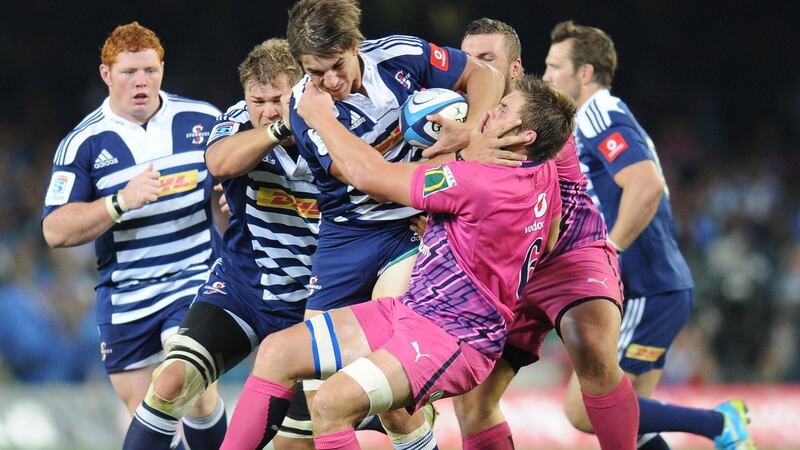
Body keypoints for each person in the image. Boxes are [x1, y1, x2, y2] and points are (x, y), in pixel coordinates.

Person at [220, 73, 570, 450]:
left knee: (330, 403)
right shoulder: (544, 172)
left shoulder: (475, 182)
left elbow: (370, 176)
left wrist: (321, 118)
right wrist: (464, 229)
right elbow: (548, 237)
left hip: (454, 338)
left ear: (525, 136)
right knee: (278, 352)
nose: (486, 113)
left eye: (502, 110)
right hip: (414, 312)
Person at [282, 1, 509, 448]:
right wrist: (324, 117)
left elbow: (487, 77)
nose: (328, 82)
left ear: (354, 45)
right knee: (313, 396)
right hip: (346, 237)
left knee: (390, 386)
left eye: (335, 66)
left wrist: (471, 135)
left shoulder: (401, 56)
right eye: (314, 71)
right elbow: (367, 178)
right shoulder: (305, 108)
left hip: (410, 228)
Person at [543, 20, 756, 450]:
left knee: (585, 409)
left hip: (644, 288)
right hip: (653, 287)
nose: (545, 77)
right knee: (631, 425)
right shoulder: (590, 121)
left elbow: (647, 184)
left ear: (585, 73)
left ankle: (719, 422)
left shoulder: (599, 112)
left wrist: (609, 250)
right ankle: (718, 423)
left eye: (554, 66)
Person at [121, 38, 325, 450]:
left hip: (315, 302)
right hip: (243, 288)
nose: (266, 110)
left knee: (296, 441)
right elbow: (218, 162)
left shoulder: (337, 124)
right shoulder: (236, 123)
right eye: (257, 100)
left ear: (301, 89)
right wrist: (282, 126)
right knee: (172, 379)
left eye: (277, 99)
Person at [454, 18, 638, 450]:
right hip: (506, 271)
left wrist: (457, 155)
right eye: (467, 61)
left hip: (569, 256)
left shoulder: (543, 111)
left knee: (589, 343)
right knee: (473, 404)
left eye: (487, 60)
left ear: (515, 70)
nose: (474, 70)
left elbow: (535, 209)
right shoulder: (450, 115)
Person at [40, 22, 222, 450]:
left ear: (162, 68)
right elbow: (54, 230)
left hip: (193, 279)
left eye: (150, 70)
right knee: (149, 417)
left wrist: (233, 202)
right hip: (125, 297)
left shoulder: (203, 119)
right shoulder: (82, 144)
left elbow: (236, 179)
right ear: (106, 75)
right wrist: (118, 202)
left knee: (186, 379)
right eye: (128, 72)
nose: (141, 82)